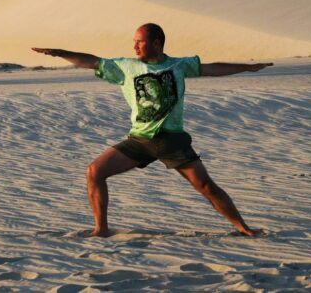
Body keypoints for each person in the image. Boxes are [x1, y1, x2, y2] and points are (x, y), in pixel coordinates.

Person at [32, 23, 273, 237]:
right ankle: (101, 229)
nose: (134, 46)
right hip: (139, 139)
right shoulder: (125, 67)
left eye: (140, 41)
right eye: (134, 41)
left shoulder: (179, 65)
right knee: (95, 172)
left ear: (156, 43)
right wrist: (62, 53)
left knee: (205, 186)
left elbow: (213, 68)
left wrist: (247, 67)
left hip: (171, 141)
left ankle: (242, 226)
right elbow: (92, 61)